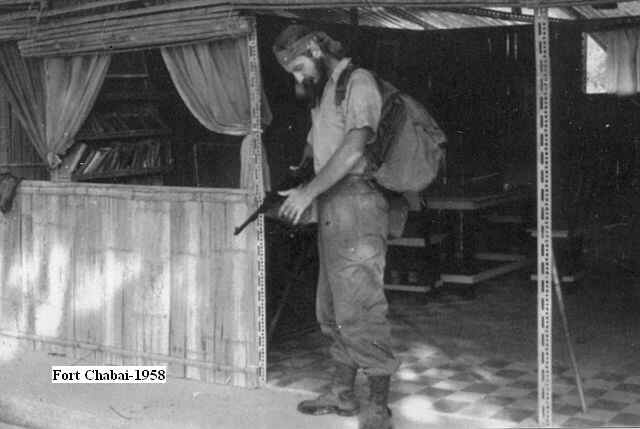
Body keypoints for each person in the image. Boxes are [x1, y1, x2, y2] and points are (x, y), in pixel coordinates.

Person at [273, 25, 399, 429]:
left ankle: (379, 405)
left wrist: (307, 192)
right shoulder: (325, 91)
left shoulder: (357, 82)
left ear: (314, 48)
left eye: (298, 66)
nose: (297, 77)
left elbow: (353, 147)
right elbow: (319, 143)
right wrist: (299, 174)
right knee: (330, 308)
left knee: (361, 305)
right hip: (332, 205)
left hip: (358, 204)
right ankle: (343, 395)